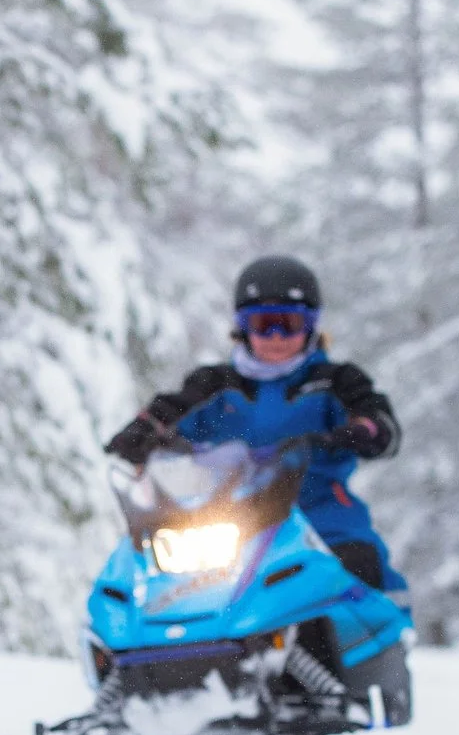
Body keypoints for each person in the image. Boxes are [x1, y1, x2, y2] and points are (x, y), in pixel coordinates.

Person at [105, 254, 408, 605]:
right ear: (242, 328)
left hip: (318, 513)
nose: (276, 337)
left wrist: (358, 432)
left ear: (311, 326)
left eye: (289, 324)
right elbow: (169, 410)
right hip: (228, 518)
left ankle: (364, 648)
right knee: (153, 576)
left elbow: (380, 424)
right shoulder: (216, 385)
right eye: (264, 324)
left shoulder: (335, 382)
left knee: (355, 567)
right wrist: (141, 433)